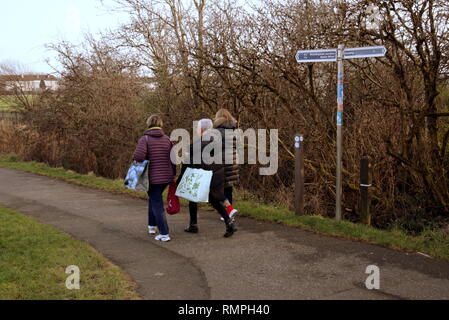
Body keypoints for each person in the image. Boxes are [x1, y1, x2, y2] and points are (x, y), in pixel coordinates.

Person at [178, 119, 237, 238]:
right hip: (218, 174)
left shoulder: (195, 145)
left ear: (201, 130)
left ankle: (193, 225)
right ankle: (228, 221)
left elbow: (187, 164)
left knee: (192, 197)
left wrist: (180, 179)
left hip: (202, 176)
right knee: (214, 199)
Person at [133, 114, 175, 242]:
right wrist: (173, 175)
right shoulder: (167, 139)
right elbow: (173, 160)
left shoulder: (145, 139)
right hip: (166, 177)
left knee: (156, 202)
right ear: (160, 124)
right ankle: (152, 226)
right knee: (153, 199)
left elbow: (138, 157)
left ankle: (164, 233)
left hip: (152, 177)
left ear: (148, 124)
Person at [214, 108, 239, 220]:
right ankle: (229, 212)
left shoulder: (216, 132)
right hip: (233, 162)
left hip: (221, 163)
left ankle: (227, 211)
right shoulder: (234, 131)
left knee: (217, 188)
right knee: (228, 187)